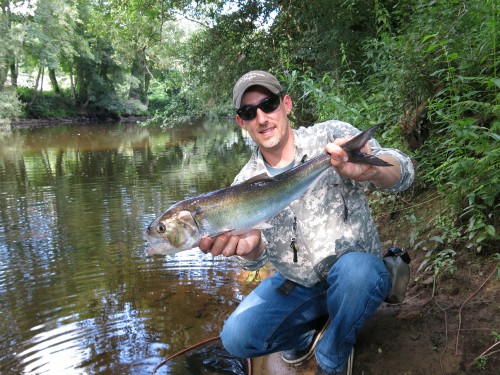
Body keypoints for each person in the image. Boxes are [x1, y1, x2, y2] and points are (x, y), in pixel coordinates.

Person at [199, 70, 414, 375]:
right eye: (249, 111)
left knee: (359, 273)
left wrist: (370, 171)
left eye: (269, 104)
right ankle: (303, 335)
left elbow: (403, 171)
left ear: (286, 104)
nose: (262, 117)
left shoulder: (330, 138)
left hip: (353, 275)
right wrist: (251, 250)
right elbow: (253, 255)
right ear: (241, 122)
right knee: (236, 337)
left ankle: (333, 354)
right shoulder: (242, 186)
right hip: (298, 285)